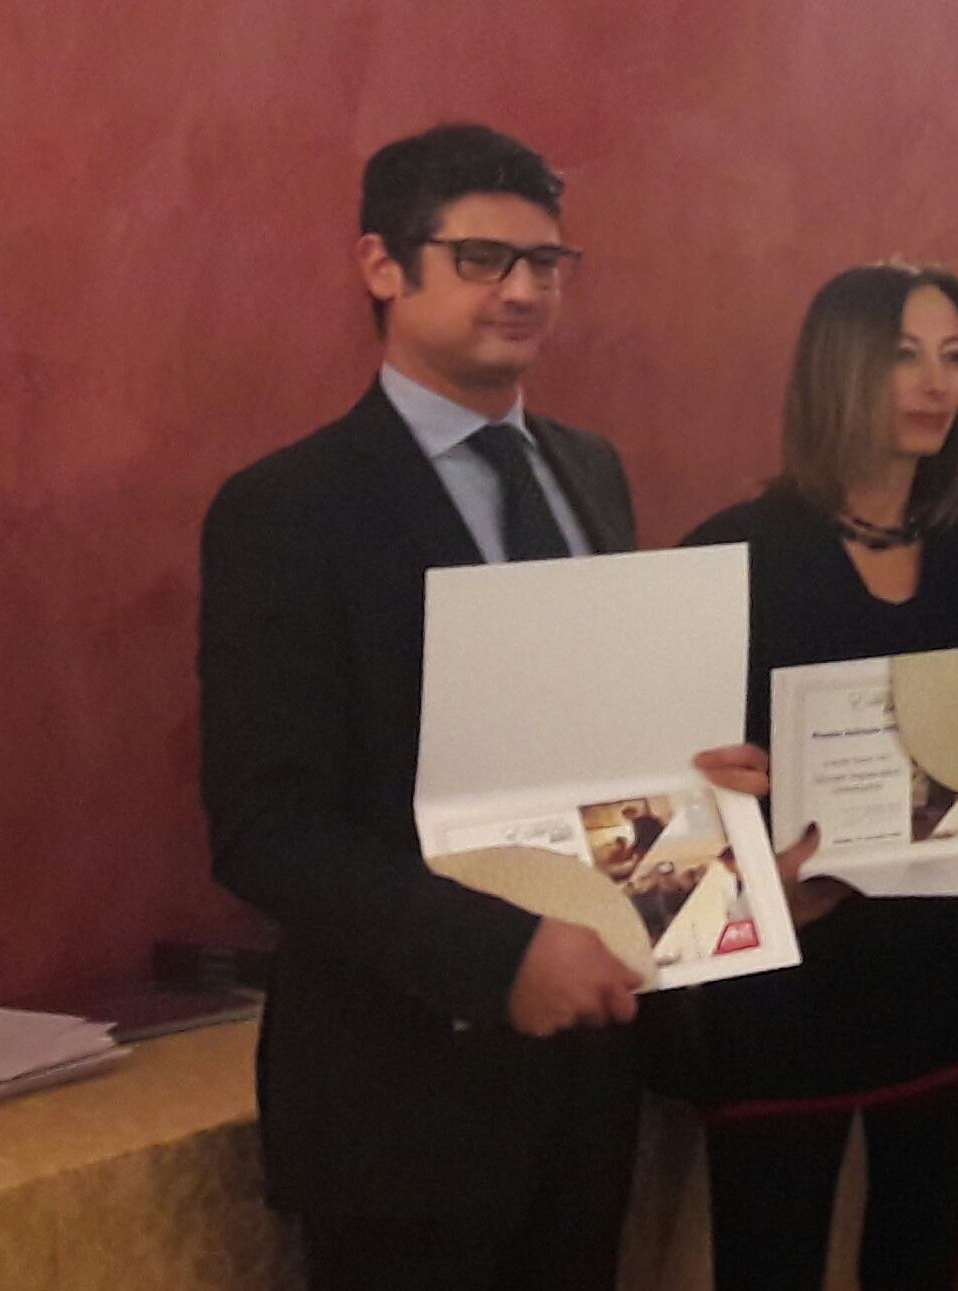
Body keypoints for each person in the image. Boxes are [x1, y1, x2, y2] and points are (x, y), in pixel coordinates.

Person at [200, 124, 651, 1289]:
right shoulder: (287, 508)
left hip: (588, 1077)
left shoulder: (589, 470)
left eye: (545, 262)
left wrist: (701, 801)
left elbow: (599, 743)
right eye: (481, 258)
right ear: (381, 264)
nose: (522, 291)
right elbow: (267, 830)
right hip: (400, 1096)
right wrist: (501, 957)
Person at [655, 263, 958, 1291]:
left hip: (944, 978)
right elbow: (655, 806)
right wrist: (747, 880)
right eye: (903, 355)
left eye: (954, 357)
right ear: (837, 368)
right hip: (782, 983)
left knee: (922, 1264)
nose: (935, 382)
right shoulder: (729, 554)